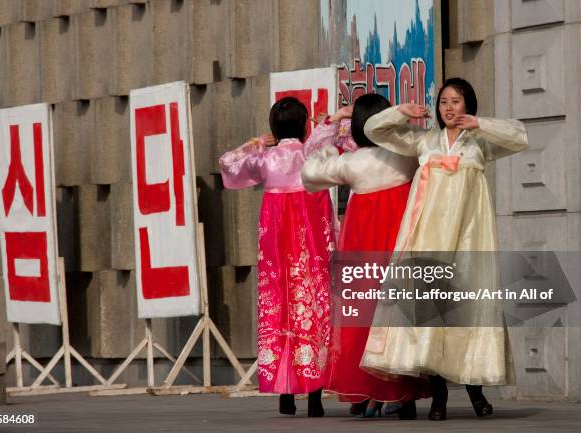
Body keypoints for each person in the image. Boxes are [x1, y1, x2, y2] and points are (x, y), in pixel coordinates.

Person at [359, 78, 528, 420]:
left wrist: (481, 123)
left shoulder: (480, 143)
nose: (449, 108)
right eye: (443, 102)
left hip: (468, 242)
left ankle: (476, 394)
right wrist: (400, 111)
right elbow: (374, 130)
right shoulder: (425, 142)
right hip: (429, 241)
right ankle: (438, 399)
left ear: (469, 105)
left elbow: (519, 136)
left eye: (456, 101)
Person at [302, 93, 429, 420]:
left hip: (362, 242)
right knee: (400, 315)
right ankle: (404, 394)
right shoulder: (405, 154)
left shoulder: (353, 163)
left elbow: (310, 172)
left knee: (363, 316)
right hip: (401, 237)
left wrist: (330, 139)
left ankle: (368, 393)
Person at [219, 97, 336, 417]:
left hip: (275, 254)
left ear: (274, 127)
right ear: (304, 125)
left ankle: (285, 392)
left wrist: (255, 143)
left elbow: (227, 163)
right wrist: (332, 122)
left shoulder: (266, 159)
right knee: (312, 312)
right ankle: (315, 397)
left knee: (279, 312)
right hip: (309, 253)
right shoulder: (312, 154)